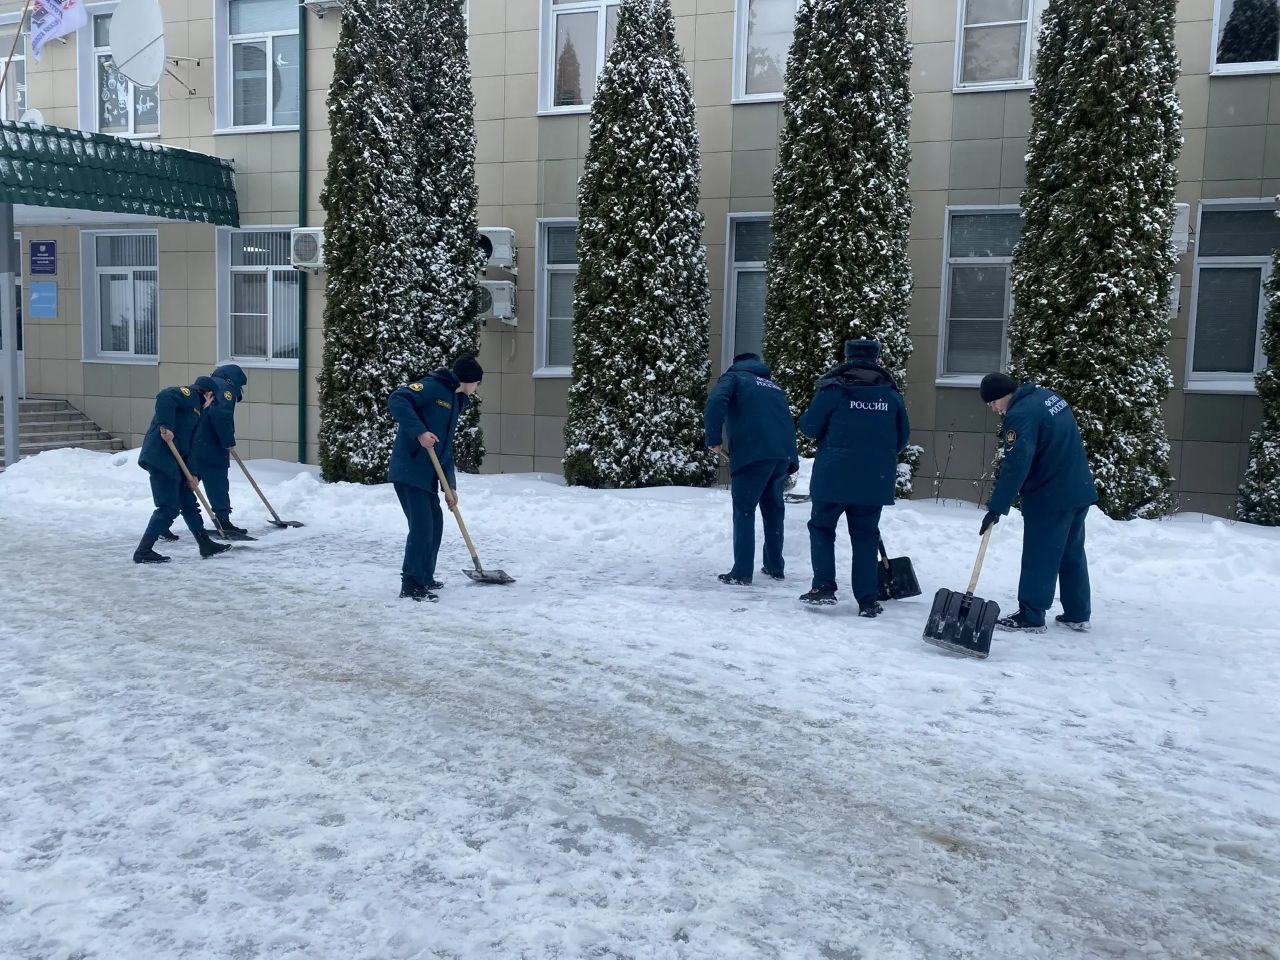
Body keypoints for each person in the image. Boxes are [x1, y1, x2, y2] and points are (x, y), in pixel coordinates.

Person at [796, 339, 910, 617]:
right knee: (865, 537)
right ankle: (867, 600)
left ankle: (823, 587)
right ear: (876, 357)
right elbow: (902, 437)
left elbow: (809, 427)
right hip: (873, 479)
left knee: (822, 529)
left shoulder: (833, 389)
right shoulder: (891, 395)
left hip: (832, 477)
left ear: (848, 356)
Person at [977, 372, 1098, 633]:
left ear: (1003, 396)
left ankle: (1031, 615)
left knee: (1039, 555)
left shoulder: (1020, 415)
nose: (994, 409)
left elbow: (1016, 464)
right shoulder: (1048, 397)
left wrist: (997, 506)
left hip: (1050, 494)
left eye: (993, 403)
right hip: (1078, 489)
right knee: (1070, 553)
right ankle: (1077, 612)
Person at [387, 355, 483, 602]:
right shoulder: (433, 387)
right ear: (470, 381)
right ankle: (411, 583)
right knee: (422, 527)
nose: (477, 389)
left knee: (435, 524)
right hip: (410, 469)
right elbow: (397, 399)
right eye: (478, 383)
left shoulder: (454, 400)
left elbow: (445, 450)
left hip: (427, 474)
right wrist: (419, 432)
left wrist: (449, 486)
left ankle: (424, 577)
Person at [704, 352, 800, 585]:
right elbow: (784, 420)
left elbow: (716, 401)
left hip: (752, 453)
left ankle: (742, 572)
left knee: (745, 510)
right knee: (773, 511)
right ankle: (775, 566)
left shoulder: (734, 378)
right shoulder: (774, 386)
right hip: (780, 455)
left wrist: (713, 438)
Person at [133, 377, 233, 564]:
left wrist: (192, 473)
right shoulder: (190, 396)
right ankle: (143, 551)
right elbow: (165, 396)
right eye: (213, 400)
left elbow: (190, 446)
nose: (211, 404)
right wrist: (165, 426)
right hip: (161, 458)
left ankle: (205, 544)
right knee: (168, 507)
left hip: (178, 462)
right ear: (208, 394)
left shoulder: (197, 414)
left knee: (188, 503)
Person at [183, 364, 250, 539]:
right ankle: (223, 521)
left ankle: (164, 521)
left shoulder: (204, 385)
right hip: (211, 444)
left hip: (191, 442)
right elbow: (221, 415)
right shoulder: (226, 389)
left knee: (186, 482)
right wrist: (227, 441)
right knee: (217, 482)